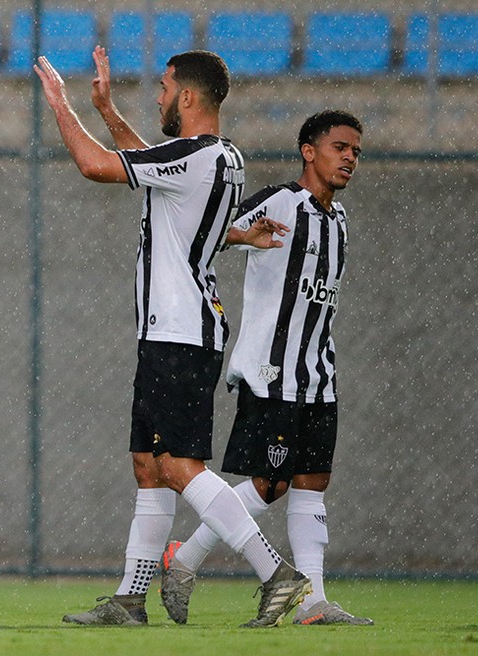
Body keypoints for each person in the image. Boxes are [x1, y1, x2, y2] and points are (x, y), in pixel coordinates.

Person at [35, 46, 309, 628]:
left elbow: (95, 165)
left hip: (179, 331)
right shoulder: (219, 156)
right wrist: (107, 111)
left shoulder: (192, 155)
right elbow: (172, 190)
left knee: (178, 464)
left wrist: (60, 105)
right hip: (177, 329)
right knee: (148, 464)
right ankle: (131, 599)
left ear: (186, 95)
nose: (158, 97)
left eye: (163, 89)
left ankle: (276, 573)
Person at [161, 110, 373, 627]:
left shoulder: (340, 221)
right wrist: (243, 235)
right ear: (308, 151)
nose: (349, 158)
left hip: (318, 375)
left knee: (312, 480)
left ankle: (314, 603)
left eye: (356, 151)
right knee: (269, 483)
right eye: (340, 147)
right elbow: (209, 231)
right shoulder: (279, 202)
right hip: (272, 370)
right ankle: (184, 559)